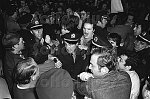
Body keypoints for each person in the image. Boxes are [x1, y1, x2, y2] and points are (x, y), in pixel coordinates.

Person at [2, 33, 25, 97]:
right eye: (21, 41)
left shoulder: (10, 52)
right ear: (15, 46)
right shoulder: (18, 63)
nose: (24, 42)